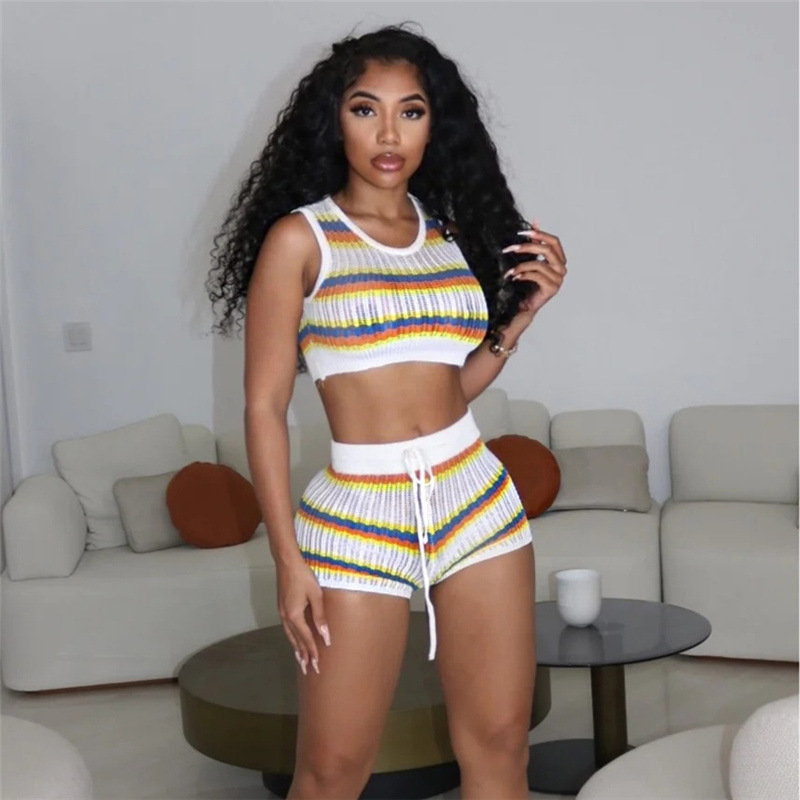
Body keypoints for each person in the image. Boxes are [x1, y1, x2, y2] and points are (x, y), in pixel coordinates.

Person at [206, 22, 567, 800]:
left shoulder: (451, 236)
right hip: (357, 512)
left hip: (474, 496)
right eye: (366, 109)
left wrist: (518, 322)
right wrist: (288, 562)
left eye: (412, 111)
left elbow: (447, 393)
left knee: (501, 744)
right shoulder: (301, 240)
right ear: (334, 120)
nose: (389, 133)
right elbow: (264, 408)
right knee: (333, 770)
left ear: (438, 125)